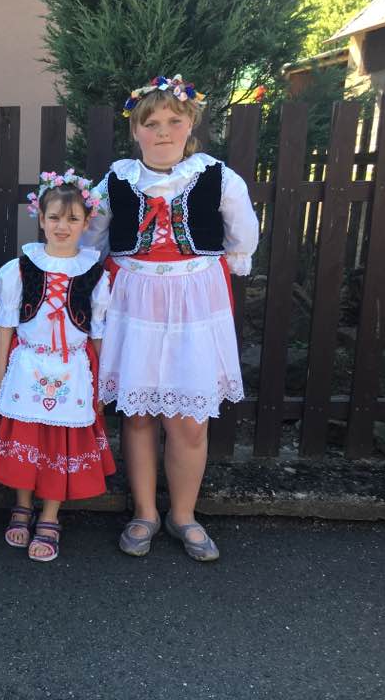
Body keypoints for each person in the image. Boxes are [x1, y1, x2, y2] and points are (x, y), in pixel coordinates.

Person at [85, 74, 259, 561]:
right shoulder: (116, 181)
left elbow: (242, 235)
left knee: (189, 421)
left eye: (174, 121)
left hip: (194, 302)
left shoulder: (218, 177)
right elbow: (90, 237)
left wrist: (229, 262)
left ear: (191, 125)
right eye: (152, 123)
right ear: (135, 130)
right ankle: (145, 512)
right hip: (134, 301)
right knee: (139, 415)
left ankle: (184, 514)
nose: (163, 131)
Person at [0, 172, 116, 562]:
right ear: (41, 219)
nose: (63, 226)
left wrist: (101, 383)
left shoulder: (95, 273)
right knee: (28, 437)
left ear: (87, 222)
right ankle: (23, 504)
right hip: (28, 364)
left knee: (60, 442)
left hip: (73, 368)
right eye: (55, 217)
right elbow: (6, 326)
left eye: (73, 218)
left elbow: (98, 333)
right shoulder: (19, 269)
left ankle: (49, 514)